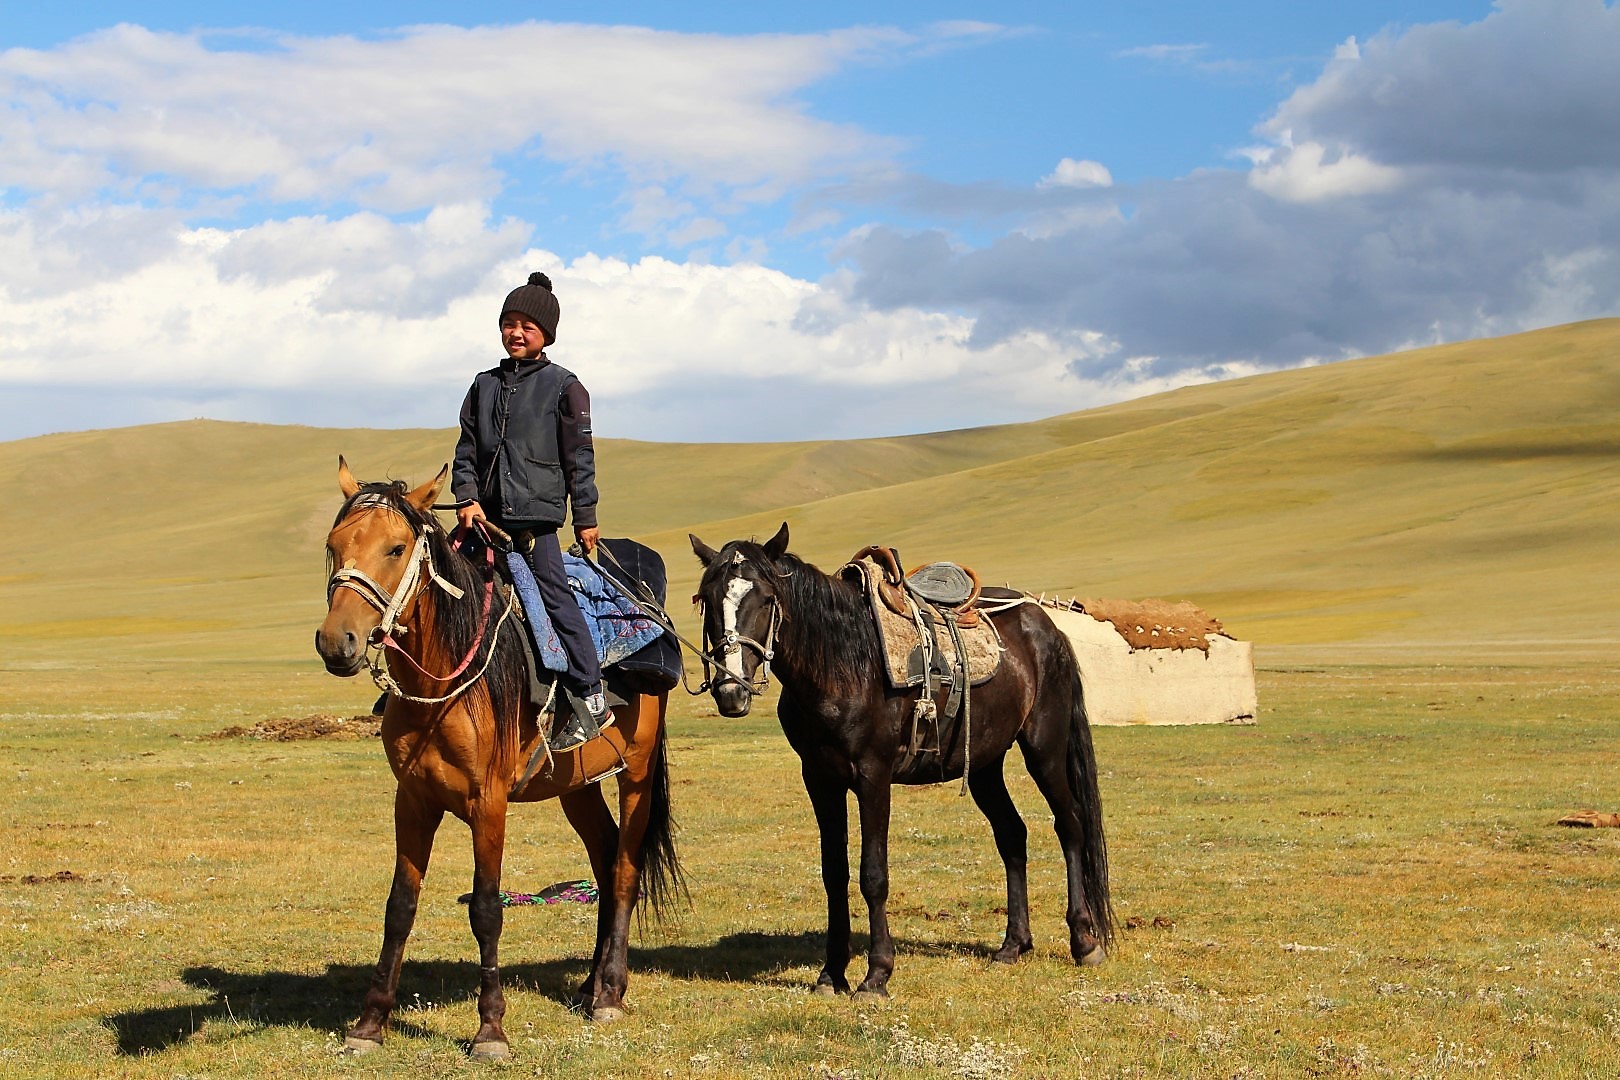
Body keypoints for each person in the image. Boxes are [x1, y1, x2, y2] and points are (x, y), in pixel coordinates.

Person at [450, 271, 610, 750]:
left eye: (527, 326)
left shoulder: (565, 387)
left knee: (555, 600)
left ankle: (591, 692)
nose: (516, 333)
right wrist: (466, 496)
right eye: (509, 323)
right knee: (445, 591)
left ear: (546, 335)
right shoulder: (483, 385)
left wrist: (585, 517)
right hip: (484, 522)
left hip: (534, 524)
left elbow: (580, 457)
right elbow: (466, 449)